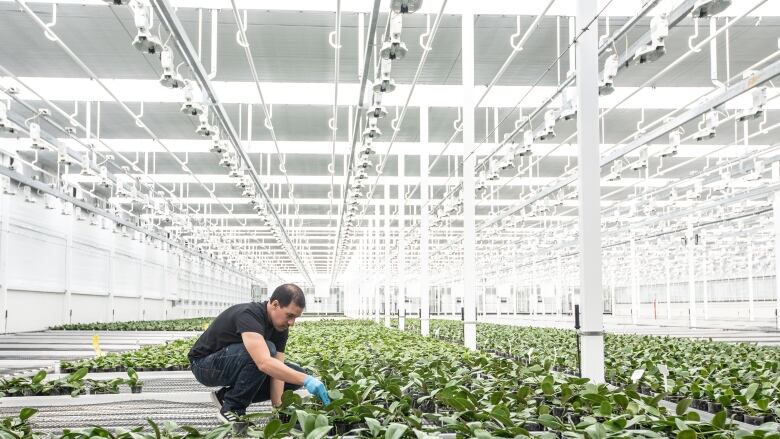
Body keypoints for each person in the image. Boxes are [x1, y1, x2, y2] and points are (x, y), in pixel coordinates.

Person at [188, 283, 331, 422]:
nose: (292, 322)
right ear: (275, 304)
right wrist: (306, 379)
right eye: (290, 315)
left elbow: (278, 371)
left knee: (291, 373)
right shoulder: (249, 314)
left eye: (295, 318)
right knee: (267, 351)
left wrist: (279, 409)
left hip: (230, 362)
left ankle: (226, 397)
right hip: (203, 365)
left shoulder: (280, 327)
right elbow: (263, 363)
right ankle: (233, 408)